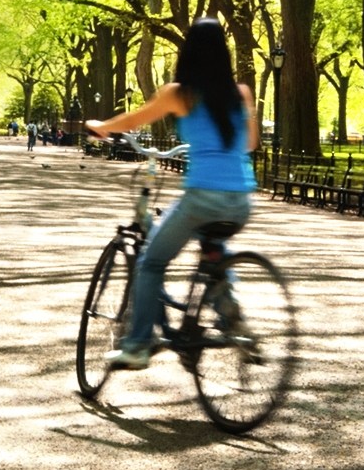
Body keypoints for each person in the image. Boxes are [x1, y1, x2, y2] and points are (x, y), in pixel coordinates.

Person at [85, 18, 259, 370]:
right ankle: (231, 315)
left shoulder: (179, 94)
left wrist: (101, 127)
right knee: (213, 249)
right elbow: (250, 143)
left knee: (151, 263)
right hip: (240, 199)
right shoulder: (241, 93)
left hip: (202, 197)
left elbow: (135, 120)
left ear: (188, 52)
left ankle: (136, 345)